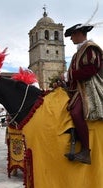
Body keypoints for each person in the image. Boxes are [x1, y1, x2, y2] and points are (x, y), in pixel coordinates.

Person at [62, 23, 103, 164]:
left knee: (75, 113)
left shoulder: (91, 48)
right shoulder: (76, 54)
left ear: (80, 34)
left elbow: (92, 69)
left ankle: (86, 151)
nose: (71, 38)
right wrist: (64, 82)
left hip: (88, 88)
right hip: (77, 87)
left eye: (72, 35)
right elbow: (72, 76)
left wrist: (70, 75)